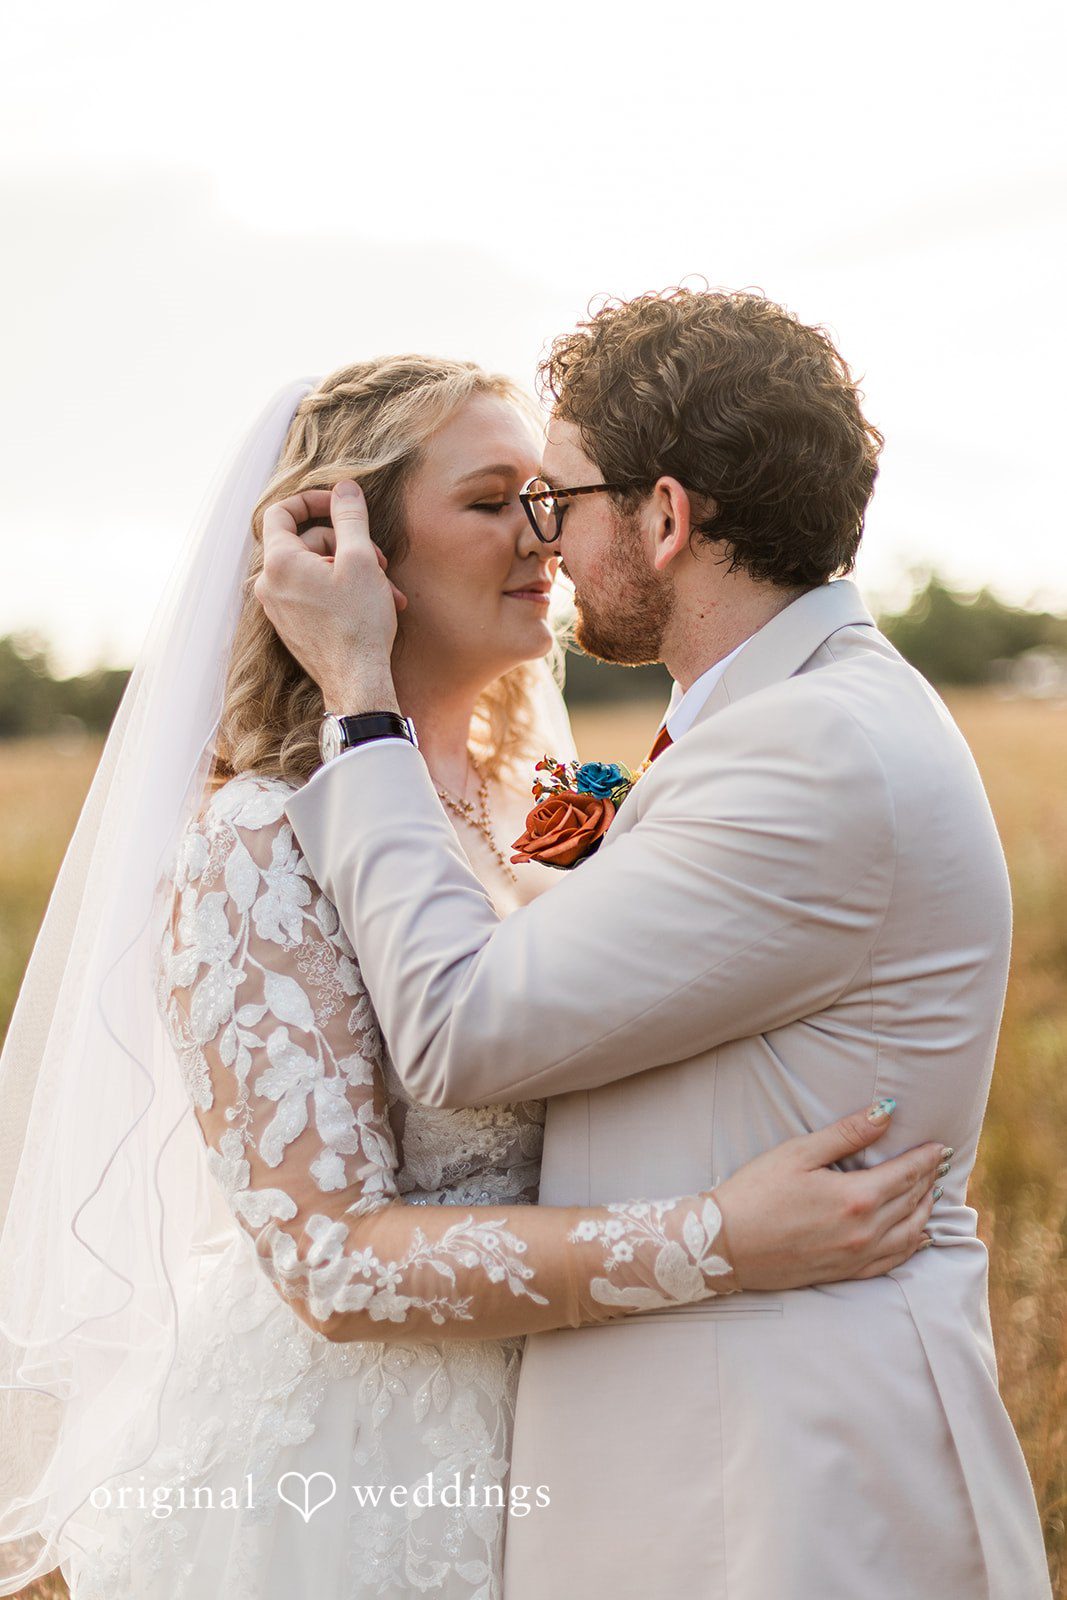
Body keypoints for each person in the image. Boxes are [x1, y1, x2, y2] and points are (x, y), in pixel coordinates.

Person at [0, 356, 942, 1600]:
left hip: (586, 1436)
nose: (543, 537)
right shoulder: (256, 843)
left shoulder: (537, 804)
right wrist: (714, 1240)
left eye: (547, 498)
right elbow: (330, 1263)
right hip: (363, 1479)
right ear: (350, 551)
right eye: (493, 500)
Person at [257, 292, 1053, 1600]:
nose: (542, 538)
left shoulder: (811, 754)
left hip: (785, 1490)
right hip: (706, 1462)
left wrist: (357, 701)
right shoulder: (774, 722)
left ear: (666, 517)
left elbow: (461, 1027)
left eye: (558, 499)